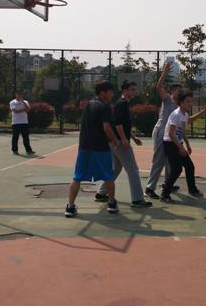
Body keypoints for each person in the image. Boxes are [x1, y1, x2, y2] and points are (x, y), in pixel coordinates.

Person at [145, 61, 206, 199]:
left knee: (170, 162)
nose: (180, 92)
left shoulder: (180, 108)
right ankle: (149, 188)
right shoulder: (167, 99)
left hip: (171, 135)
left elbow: (187, 121)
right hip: (162, 131)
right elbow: (158, 87)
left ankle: (167, 184)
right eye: (178, 90)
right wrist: (165, 72)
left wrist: (203, 112)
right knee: (159, 160)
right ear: (172, 91)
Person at [65, 80, 120, 218]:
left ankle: (70, 207)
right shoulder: (105, 107)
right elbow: (106, 127)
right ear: (103, 93)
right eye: (110, 92)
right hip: (101, 147)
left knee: (77, 177)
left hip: (85, 146)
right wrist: (115, 140)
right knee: (108, 176)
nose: (112, 94)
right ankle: (112, 204)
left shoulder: (88, 105)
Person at [96, 80, 153, 208]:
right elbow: (117, 123)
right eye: (132, 89)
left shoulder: (123, 104)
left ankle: (101, 193)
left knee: (116, 168)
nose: (134, 92)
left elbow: (123, 124)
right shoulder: (121, 104)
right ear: (125, 90)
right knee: (133, 169)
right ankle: (137, 199)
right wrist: (123, 139)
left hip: (115, 142)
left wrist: (133, 137)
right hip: (119, 143)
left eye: (134, 90)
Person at [161, 90, 203, 202]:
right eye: (187, 101)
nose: (190, 103)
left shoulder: (185, 115)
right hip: (170, 144)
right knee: (176, 170)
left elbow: (182, 131)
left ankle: (192, 190)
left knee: (189, 166)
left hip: (177, 143)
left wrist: (187, 145)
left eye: (191, 101)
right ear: (181, 102)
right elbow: (170, 134)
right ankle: (164, 195)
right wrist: (180, 148)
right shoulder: (176, 114)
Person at [9, 91, 35, 155]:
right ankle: (15, 150)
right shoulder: (12, 102)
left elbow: (28, 109)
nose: (20, 95)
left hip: (24, 122)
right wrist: (24, 110)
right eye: (18, 94)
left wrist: (23, 102)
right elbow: (15, 111)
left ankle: (28, 150)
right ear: (16, 95)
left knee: (26, 137)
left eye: (21, 94)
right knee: (15, 137)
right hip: (16, 123)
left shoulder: (25, 102)